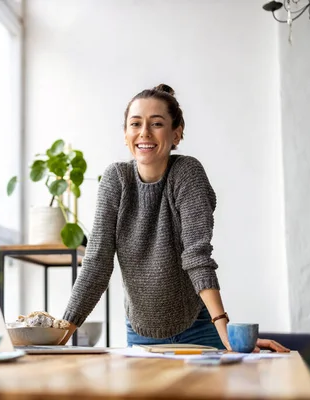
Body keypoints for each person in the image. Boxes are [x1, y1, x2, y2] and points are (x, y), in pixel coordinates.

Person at [58, 84, 289, 352]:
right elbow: (97, 261)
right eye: (135, 124)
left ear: (176, 134)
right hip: (141, 333)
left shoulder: (187, 174)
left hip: (199, 328)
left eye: (156, 123)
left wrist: (225, 329)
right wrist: (58, 338)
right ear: (125, 134)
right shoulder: (116, 180)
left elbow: (196, 255)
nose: (144, 132)